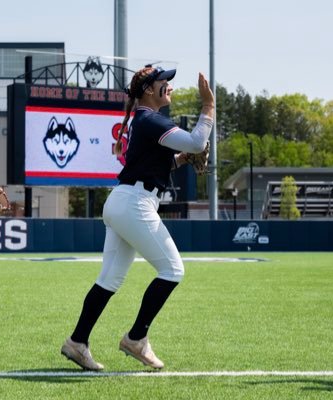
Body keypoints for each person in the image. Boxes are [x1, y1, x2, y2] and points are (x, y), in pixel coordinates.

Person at [61, 66, 214, 371]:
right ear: (148, 89)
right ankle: (136, 338)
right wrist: (208, 106)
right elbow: (198, 141)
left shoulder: (145, 120)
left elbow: (155, 163)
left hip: (123, 200)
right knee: (172, 270)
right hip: (135, 203)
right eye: (164, 82)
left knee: (109, 280)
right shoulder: (151, 119)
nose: (169, 86)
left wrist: (181, 160)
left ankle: (77, 342)